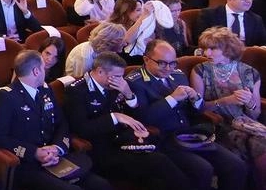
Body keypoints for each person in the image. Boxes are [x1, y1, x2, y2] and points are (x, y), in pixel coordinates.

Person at [127, 40, 248, 190]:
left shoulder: (178, 76)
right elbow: (143, 118)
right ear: (146, 59)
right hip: (163, 139)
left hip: (190, 135)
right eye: (162, 63)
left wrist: (196, 100)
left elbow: (195, 111)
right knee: (203, 170)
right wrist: (172, 98)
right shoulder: (135, 82)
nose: (168, 68)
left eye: (172, 63)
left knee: (236, 165)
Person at [64, 52, 192, 190]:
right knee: (159, 162)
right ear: (100, 71)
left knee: (158, 178)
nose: (120, 80)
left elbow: (138, 116)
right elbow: (81, 129)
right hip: (101, 150)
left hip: (125, 142)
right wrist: (115, 117)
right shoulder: (77, 91)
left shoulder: (117, 86)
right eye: (117, 76)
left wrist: (128, 94)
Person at [0, 50, 111, 190]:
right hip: (28, 165)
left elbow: (61, 123)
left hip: (56, 158)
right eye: (43, 67)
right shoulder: (5, 97)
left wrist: (57, 148)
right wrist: (34, 152)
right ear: (36, 71)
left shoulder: (46, 90)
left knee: (101, 185)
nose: (46, 70)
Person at [190, 27, 265, 186]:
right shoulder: (200, 71)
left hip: (245, 122)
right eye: (204, 49)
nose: (206, 54)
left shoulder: (250, 73)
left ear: (228, 48)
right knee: (253, 143)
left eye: (212, 49)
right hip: (217, 124)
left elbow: (255, 114)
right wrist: (226, 100)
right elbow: (197, 108)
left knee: (260, 142)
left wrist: (250, 102)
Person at [197, 0, 266, 46]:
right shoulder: (209, 14)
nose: (249, 1)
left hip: (247, 57)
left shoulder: (255, 19)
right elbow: (201, 39)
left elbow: (263, 42)